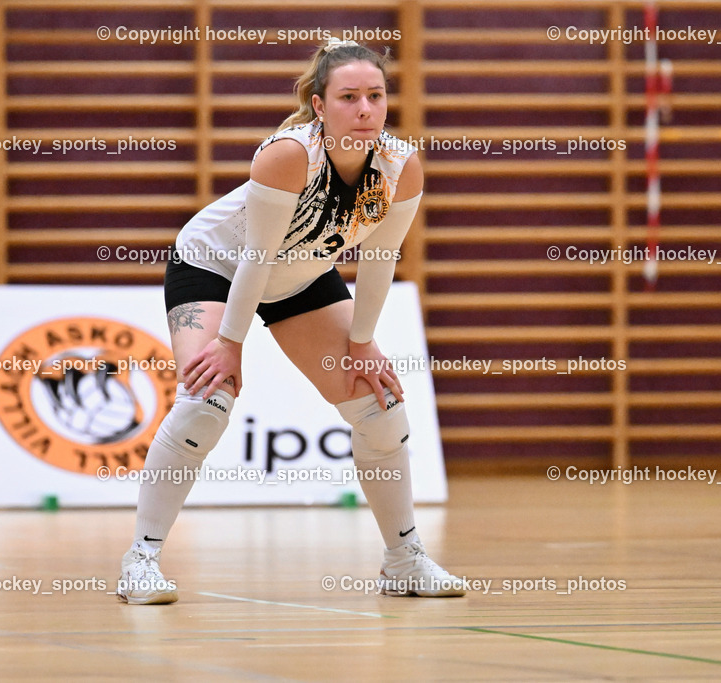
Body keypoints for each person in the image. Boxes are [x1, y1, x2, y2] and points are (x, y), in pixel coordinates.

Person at [117, 37, 466, 605]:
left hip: (300, 274)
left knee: (378, 406)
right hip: (217, 265)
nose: (364, 110)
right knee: (208, 398)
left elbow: (379, 259)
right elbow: (256, 256)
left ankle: (404, 559)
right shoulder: (288, 155)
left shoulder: (400, 166)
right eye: (349, 96)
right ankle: (140, 561)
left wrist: (363, 343)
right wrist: (230, 344)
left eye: (375, 96)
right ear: (319, 103)